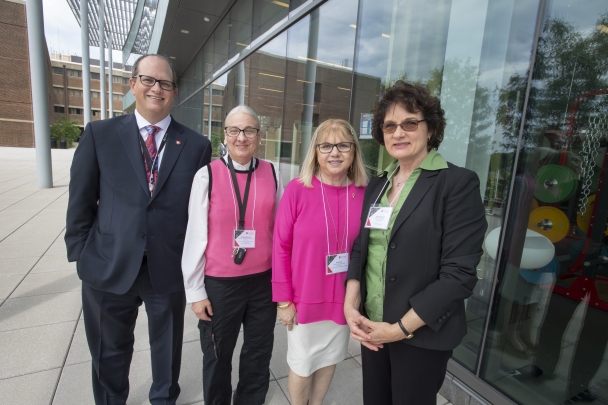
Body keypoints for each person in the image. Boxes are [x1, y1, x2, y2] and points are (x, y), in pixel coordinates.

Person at [65, 54, 211, 404]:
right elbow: (80, 202)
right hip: (108, 265)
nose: (155, 88)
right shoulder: (100, 135)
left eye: (164, 83)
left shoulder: (196, 145)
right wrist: (82, 255)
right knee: (108, 354)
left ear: (174, 92)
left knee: (167, 354)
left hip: (168, 267)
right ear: (132, 84)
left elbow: (200, 214)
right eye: (148, 80)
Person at [344, 81, 487, 405]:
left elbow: (458, 276)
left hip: (420, 334)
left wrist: (398, 330)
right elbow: (360, 248)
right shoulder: (378, 184)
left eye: (410, 123)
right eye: (390, 125)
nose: (399, 133)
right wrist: (351, 304)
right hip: (372, 325)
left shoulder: (457, 184)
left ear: (431, 128)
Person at [181, 105, 283, 405]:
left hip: (263, 282)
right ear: (224, 135)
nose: (242, 137)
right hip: (221, 284)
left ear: (259, 136)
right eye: (234, 130)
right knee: (217, 353)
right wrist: (195, 291)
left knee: (259, 350)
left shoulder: (271, 172)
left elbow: (277, 228)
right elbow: (195, 236)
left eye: (249, 130)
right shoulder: (207, 175)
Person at [272, 119, 368, 405]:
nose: (334, 153)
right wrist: (283, 301)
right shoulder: (297, 190)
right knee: (302, 363)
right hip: (304, 299)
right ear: (315, 151)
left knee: (330, 358)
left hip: (344, 299)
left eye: (342, 145)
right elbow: (280, 248)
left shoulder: (365, 194)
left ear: (353, 152)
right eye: (326, 146)